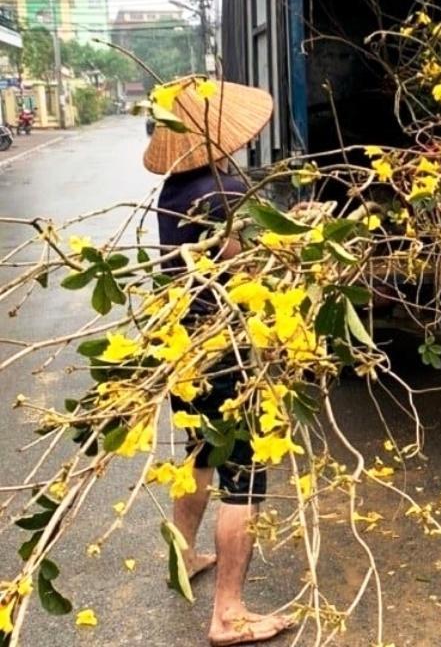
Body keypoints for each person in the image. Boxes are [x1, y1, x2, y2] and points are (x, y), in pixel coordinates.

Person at [144, 76, 293, 646]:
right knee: (244, 475)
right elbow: (251, 262)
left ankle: (182, 557)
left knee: (200, 452)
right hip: (222, 347)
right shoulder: (223, 190)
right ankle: (228, 615)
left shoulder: (176, 185)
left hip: (182, 344)